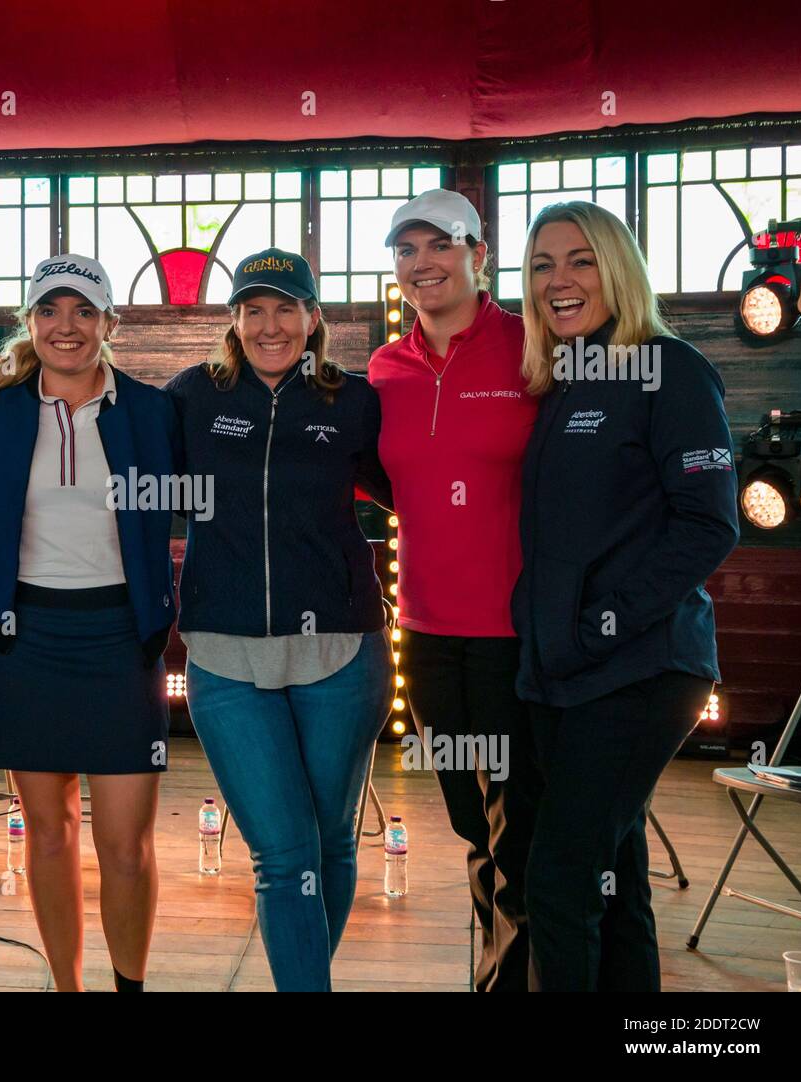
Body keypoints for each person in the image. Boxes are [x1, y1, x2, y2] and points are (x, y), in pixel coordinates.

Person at [512, 200, 740, 992]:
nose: (558, 280)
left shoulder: (669, 369)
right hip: (564, 675)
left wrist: (599, 626)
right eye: (542, 265)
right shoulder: (564, 382)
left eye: (579, 260)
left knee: (559, 880)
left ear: (619, 270)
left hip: (640, 667)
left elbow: (709, 526)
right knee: (616, 881)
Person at [166, 247, 392, 992]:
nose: (271, 325)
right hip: (226, 658)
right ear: (233, 321)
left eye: (286, 308)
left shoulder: (352, 402)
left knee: (329, 841)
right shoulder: (192, 398)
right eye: (254, 308)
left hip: (339, 650)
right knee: (283, 852)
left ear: (313, 318)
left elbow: (420, 491)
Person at [0, 254, 178, 992]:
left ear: (109, 325)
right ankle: (68, 986)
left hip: (122, 639)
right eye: (50, 311)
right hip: (27, 640)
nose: (66, 327)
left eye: (83, 312)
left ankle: (130, 986)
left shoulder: (152, 412)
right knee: (50, 836)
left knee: (125, 845)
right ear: (29, 323)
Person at [367, 189, 542, 992]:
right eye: (407, 249)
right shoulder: (385, 368)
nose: (423, 262)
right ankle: (493, 964)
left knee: (521, 831)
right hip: (428, 634)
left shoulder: (533, 345)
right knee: (473, 824)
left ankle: (511, 981)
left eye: (441, 244)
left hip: (521, 632)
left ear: (480, 254)